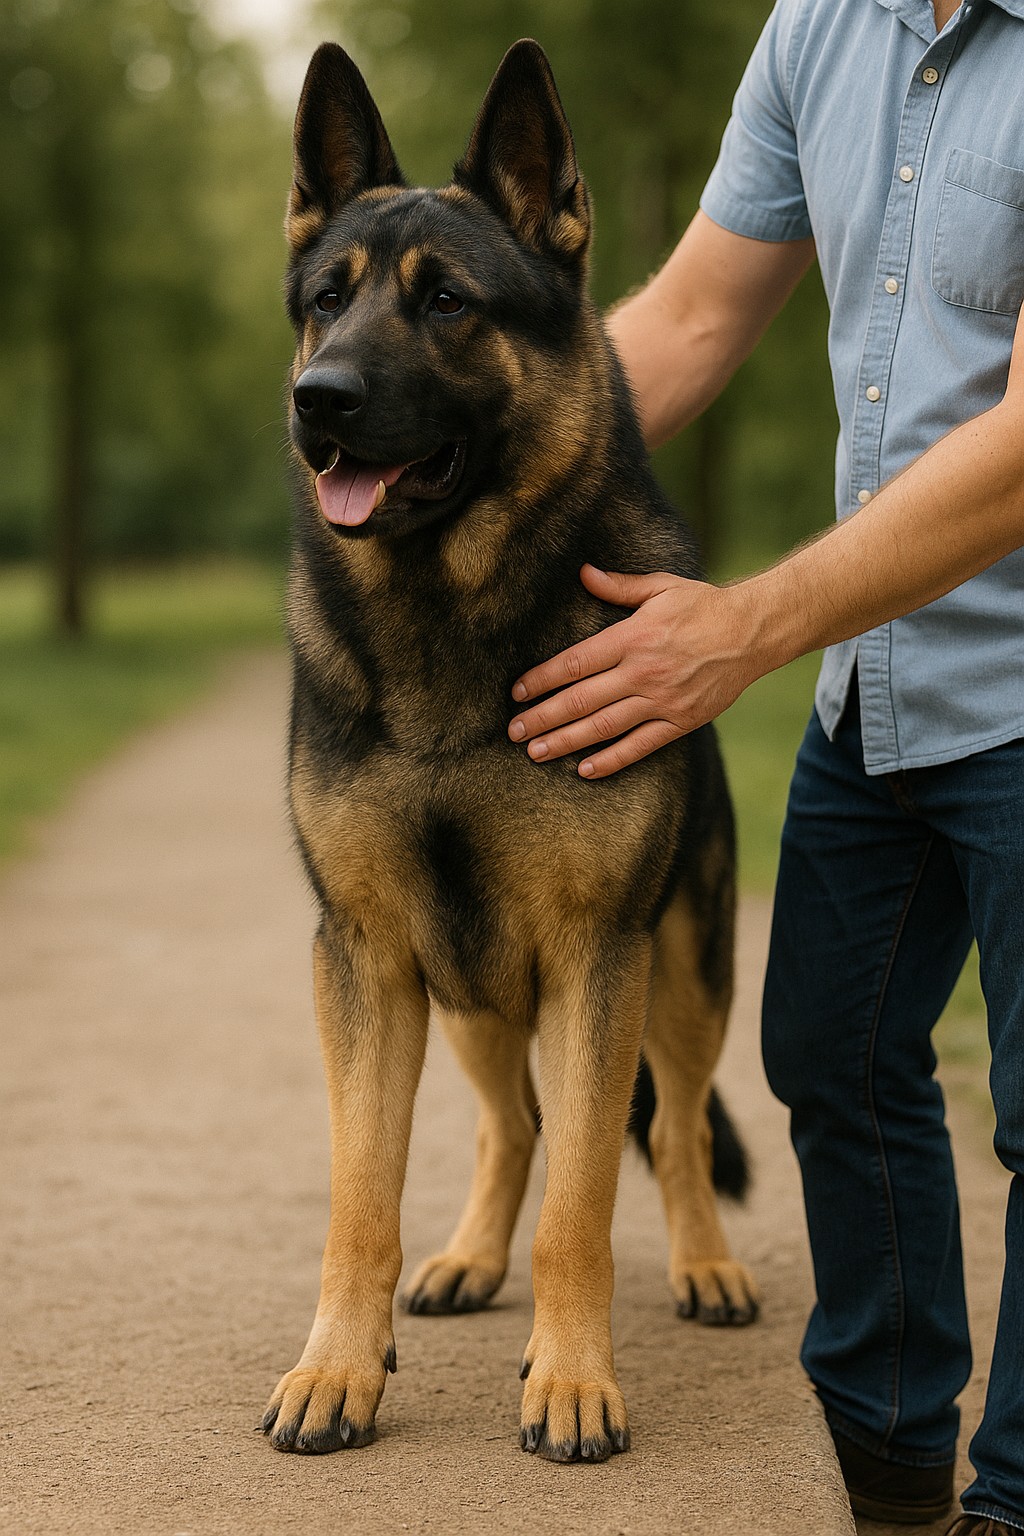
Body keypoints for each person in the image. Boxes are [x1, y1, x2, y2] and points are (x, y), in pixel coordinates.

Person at [506, 2, 1024, 1532]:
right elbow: (687, 324)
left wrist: (747, 626)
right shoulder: (822, 24)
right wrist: (453, 459)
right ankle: (896, 1480)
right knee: (829, 1057)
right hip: (884, 678)